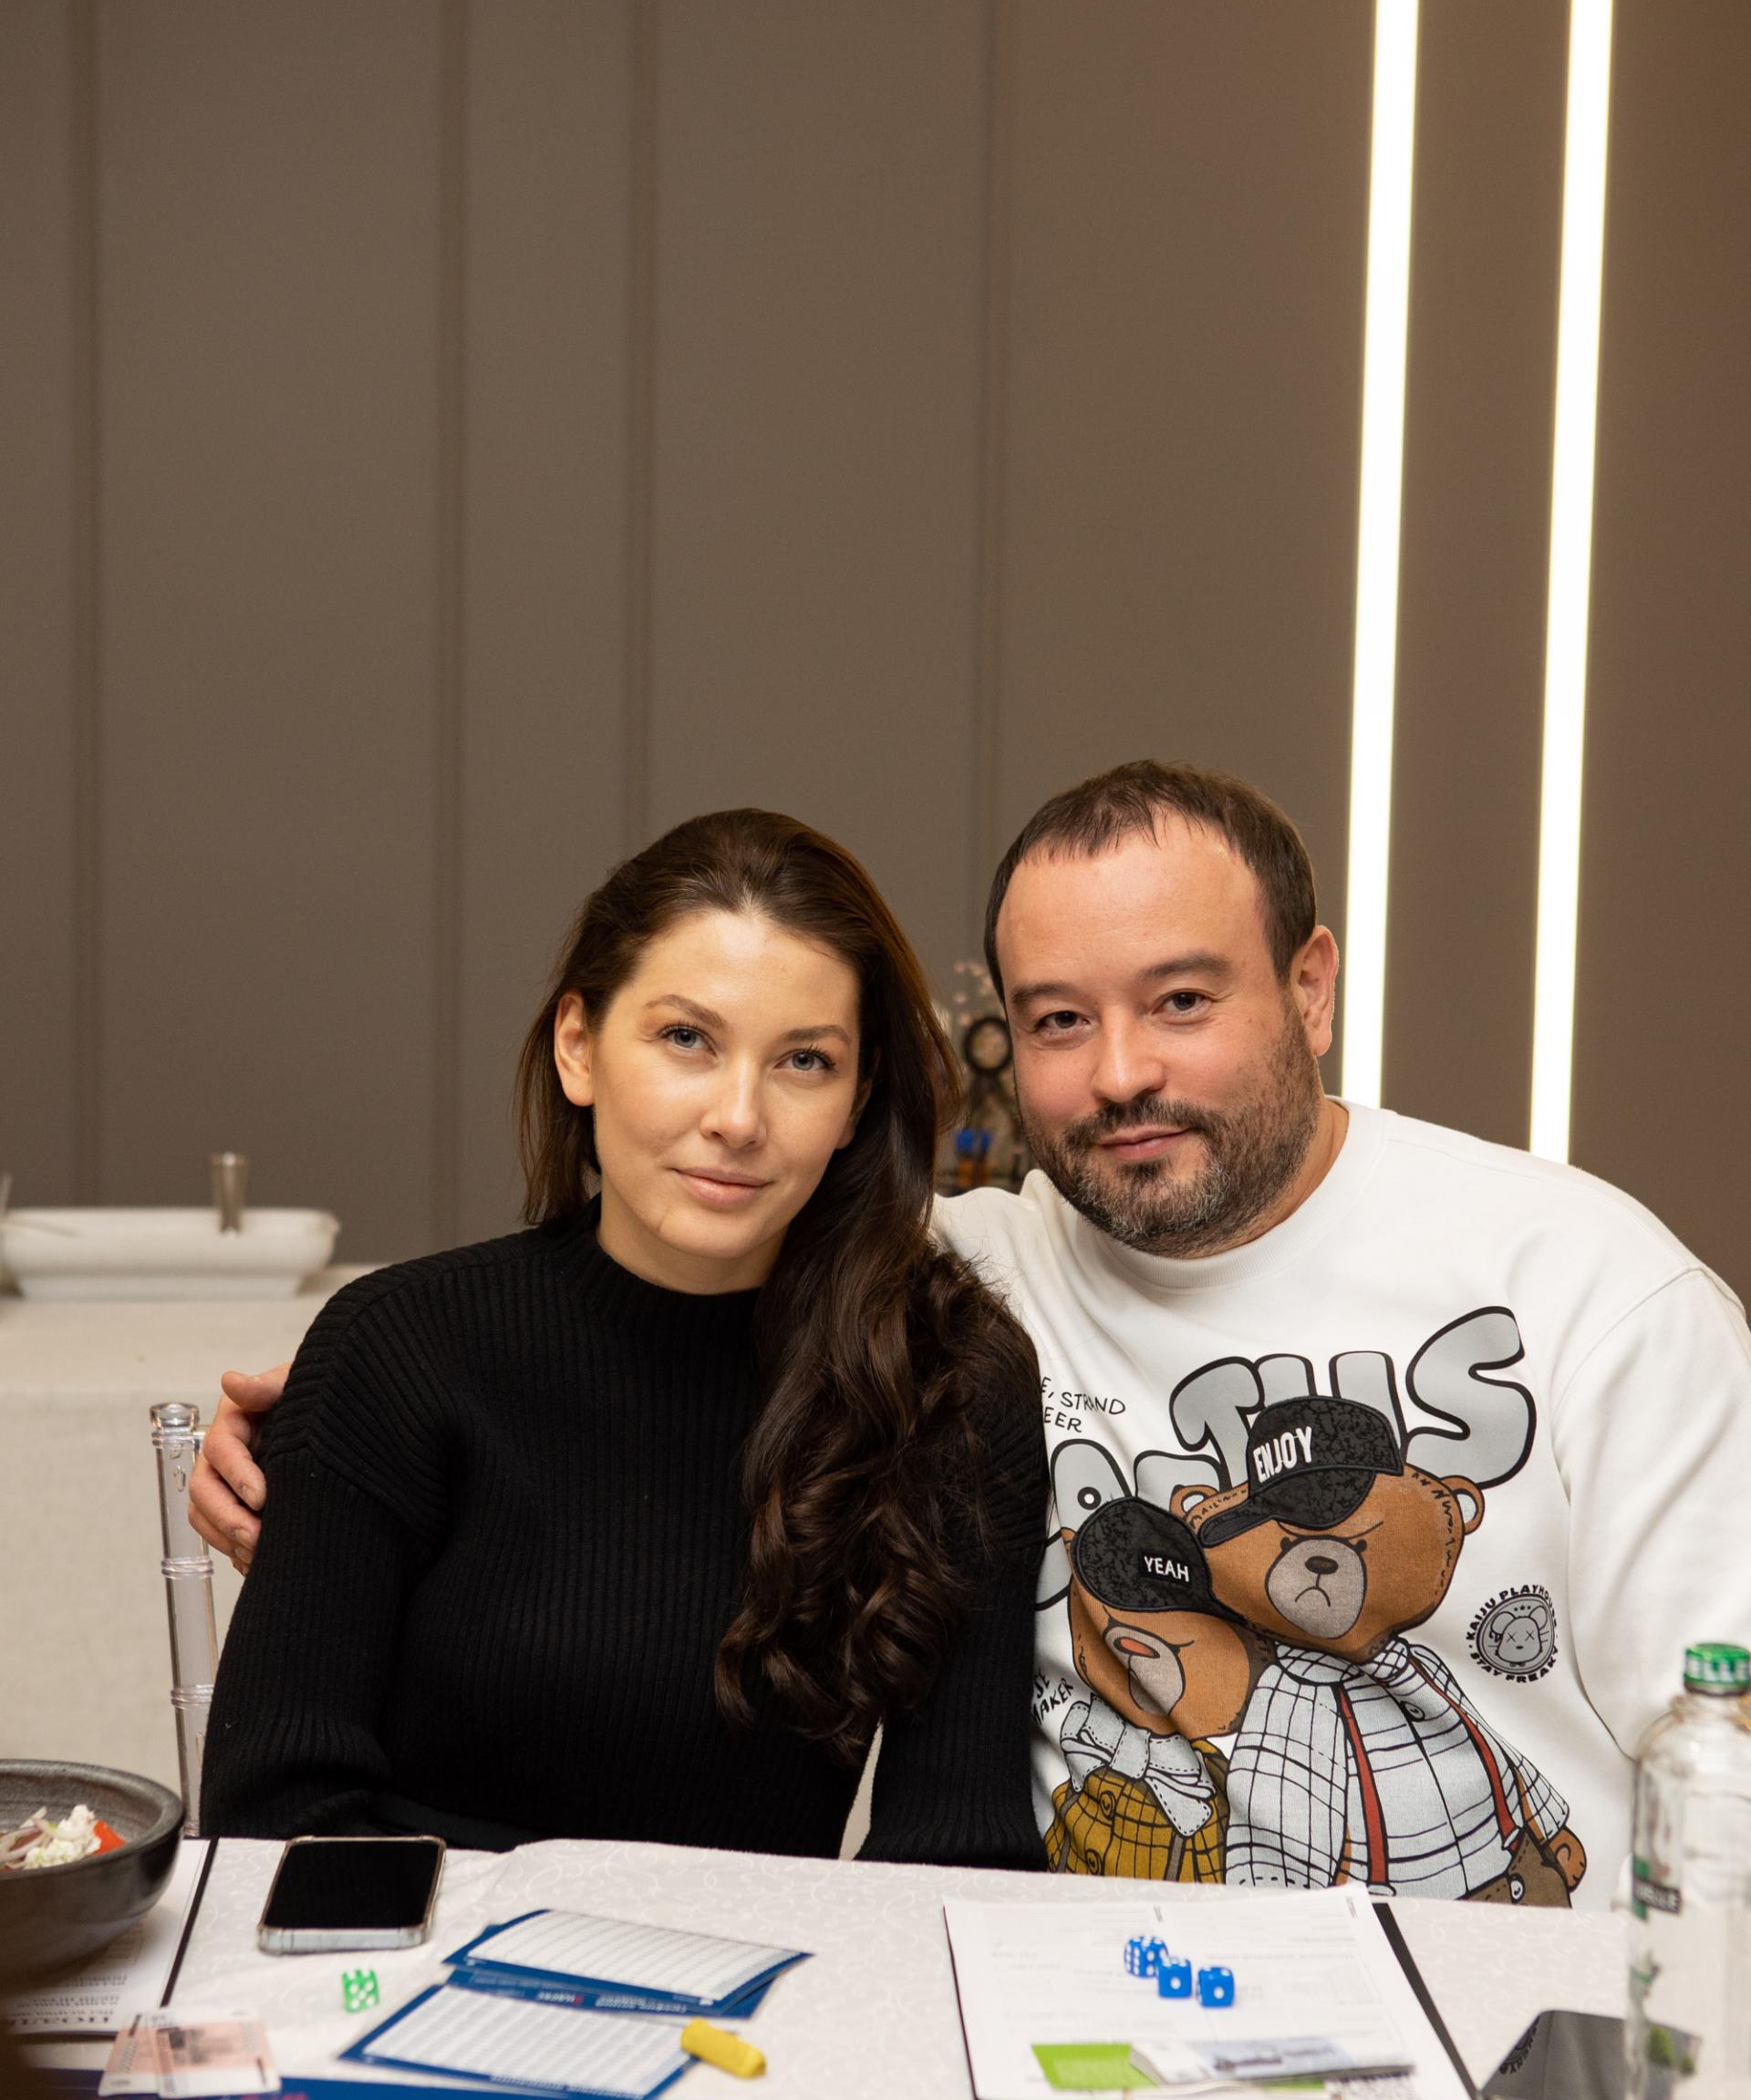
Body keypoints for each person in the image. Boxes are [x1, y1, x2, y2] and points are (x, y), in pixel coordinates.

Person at [196, 760, 1751, 1904]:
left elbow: (1725, 1772)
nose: (1120, 1072)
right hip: (1087, 2019)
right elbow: (638, 1297)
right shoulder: (955, 1286)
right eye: (1061, 1018)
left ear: (1311, 987)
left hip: (1515, 2020)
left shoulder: (1596, 1293)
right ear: (579, 1044)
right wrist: (326, 1435)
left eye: (1183, 1001)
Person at [197, 809, 1046, 1863]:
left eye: (804, 1060)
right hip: (406, 1957)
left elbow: (953, 1854)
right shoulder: (400, 1349)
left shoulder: (948, 1385)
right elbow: (273, 1820)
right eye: (687, 1039)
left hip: (763, 1970)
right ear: (579, 1048)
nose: (739, 1117)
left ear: (857, 1097)